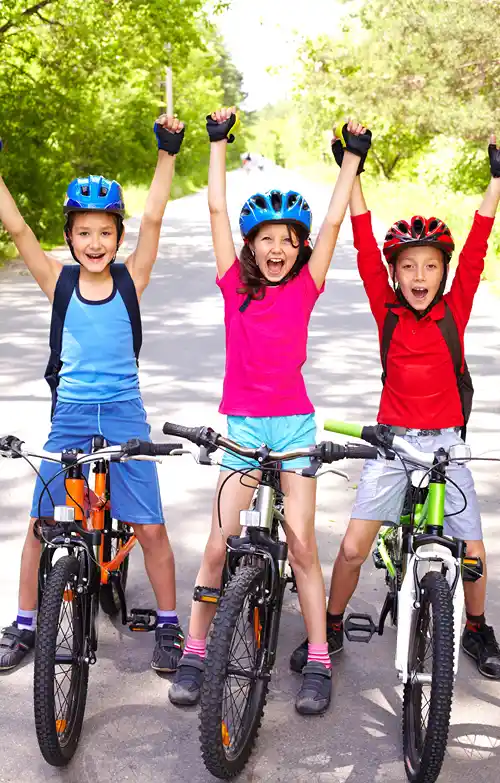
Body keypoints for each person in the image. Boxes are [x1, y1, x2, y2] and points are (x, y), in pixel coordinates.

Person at [169, 108, 372, 715]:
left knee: (303, 543)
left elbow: (334, 220)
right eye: (266, 239)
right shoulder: (235, 285)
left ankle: (317, 658)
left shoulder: (306, 286)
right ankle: (197, 650)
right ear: (251, 246)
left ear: (298, 248)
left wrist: (352, 160)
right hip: (244, 427)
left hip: (295, 427)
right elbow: (213, 210)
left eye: (288, 240)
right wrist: (215, 144)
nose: (278, 248)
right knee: (218, 542)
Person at [290, 135, 500, 679]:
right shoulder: (386, 308)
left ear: (443, 272)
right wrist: (352, 172)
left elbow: (479, 243)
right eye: (408, 267)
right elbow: (362, 243)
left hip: (446, 443)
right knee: (356, 546)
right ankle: (331, 624)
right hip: (392, 440)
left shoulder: (456, 306)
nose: (419, 277)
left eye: (430, 267)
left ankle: (475, 627)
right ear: (396, 273)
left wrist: (496, 180)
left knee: (473, 552)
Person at [0, 115, 186, 673]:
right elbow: (17, 232)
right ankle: (26, 622)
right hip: (71, 415)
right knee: (43, 523)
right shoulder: (56, 280)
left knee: (150, 527)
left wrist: (167, 153)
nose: (95, 242)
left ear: (118, 238)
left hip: (126, 413)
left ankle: (172, 626)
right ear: (69, 237)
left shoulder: (133, 278)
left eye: (106, 232)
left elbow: (153, 216)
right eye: (84, 232)